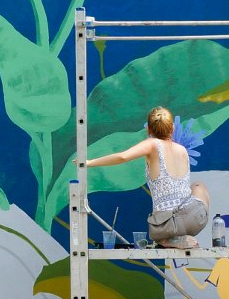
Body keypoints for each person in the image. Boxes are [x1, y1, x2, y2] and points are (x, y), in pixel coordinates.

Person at [86, 105, 210, 249]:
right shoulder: (182, 149)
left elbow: (122, 157)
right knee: (198, 186)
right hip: (195, 221)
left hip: (166, 227)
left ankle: (169, 240)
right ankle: (181, 236)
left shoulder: (152, 144)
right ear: (172, 129)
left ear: (148, 129)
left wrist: (89, 163)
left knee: (179, 204)